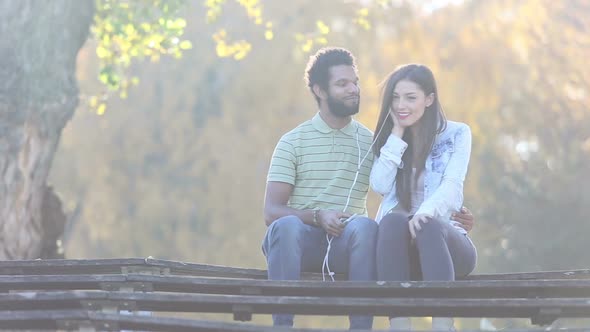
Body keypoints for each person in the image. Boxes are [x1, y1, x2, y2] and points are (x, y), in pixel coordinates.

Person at [370, 64, 477, 331]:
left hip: (445, 249)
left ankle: (442, 325)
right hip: (401, 253)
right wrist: (396, 134)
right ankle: (399, 324)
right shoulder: (392, 138)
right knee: (392, 222)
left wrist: (424, 212)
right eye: (395, 97)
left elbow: (452, 187)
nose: (400, 105)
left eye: (410, 97)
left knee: (427, 225)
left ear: (429, 99)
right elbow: (380, 184)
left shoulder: (456, 134)